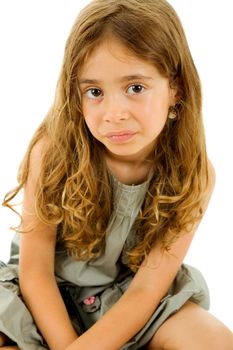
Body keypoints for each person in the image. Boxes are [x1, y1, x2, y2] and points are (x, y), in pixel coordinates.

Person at [0, 0, 232, 349]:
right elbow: (35, 274)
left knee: (214, 341)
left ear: (176, 88)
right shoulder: (51, 152)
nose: (113, 113)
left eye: (135, 88)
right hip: (43, 296)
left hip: (130, 302)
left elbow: (146, 290)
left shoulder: (195, 174)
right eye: (94, 92)